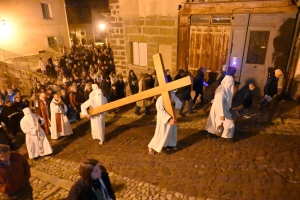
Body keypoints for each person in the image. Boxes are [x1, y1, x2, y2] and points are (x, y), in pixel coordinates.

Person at [148, 91, 182, 155]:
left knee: (171, 132)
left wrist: (174, 102)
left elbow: (179, 104)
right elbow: (160, 110)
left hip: (172, 116)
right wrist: (168, 119)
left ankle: (170, 145)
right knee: (161, 133)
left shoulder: (172, 96)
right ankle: (151, 146)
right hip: (163, 119)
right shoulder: (160, 99)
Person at [205, 75, 235, 142]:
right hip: (220, 109)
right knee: (229, 123)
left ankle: (213, 133)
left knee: (215, 121)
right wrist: (221, 114)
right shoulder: (222, 89)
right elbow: (219, 101)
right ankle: (228, 136)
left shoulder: (225, 88)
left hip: (222, 108)